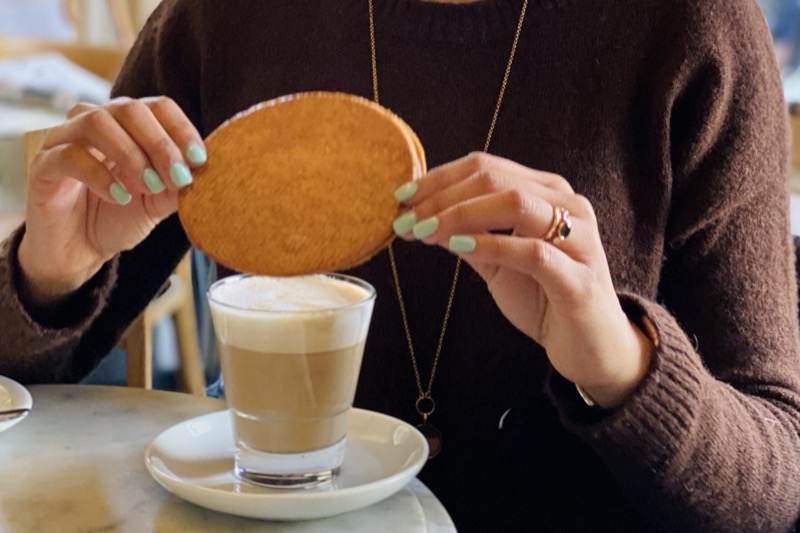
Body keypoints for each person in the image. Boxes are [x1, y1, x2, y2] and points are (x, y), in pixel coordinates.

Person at [1, 0, 799, 531]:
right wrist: (45, 271)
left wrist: (621, 363)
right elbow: (23, 387)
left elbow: (776, 478)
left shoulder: (693, 29)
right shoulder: (224, 16)